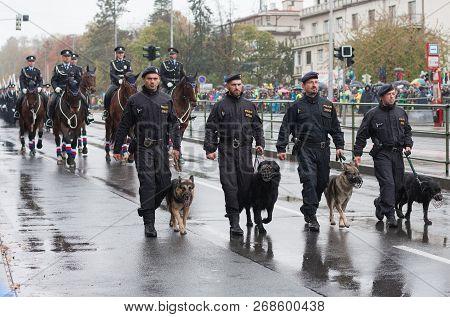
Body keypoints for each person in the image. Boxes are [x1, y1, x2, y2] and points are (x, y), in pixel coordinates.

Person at [113, 66, 181, 238]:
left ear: (159, 80)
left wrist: (177, 147)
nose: (152, 81)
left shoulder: (166, 99)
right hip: (143, 147)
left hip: (161, 148)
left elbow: (174, 124)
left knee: (165, 183)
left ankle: (146, 208)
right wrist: (117, 148)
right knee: (148, 184)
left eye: (155, 79)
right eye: (149, 78)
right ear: (144, 80)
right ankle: (149, 224)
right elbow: (124, 125)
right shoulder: (135, 100)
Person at [276, 71, 345, 232]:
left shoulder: (327, 105)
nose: (314, 85)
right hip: (305, 148)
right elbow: (286, 127)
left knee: (321, 182)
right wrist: (281, 147)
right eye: (310, 82)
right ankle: (312, 216)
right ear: (304, 86)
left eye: (316, 82)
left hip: (323, 149)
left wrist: (339, 145)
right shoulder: (296, 106)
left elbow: (335, 128)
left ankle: (308, 207)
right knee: (309, 181)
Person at [204, 74, 264, 236]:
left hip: (245, 151)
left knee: (245, 187)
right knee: (230, 186)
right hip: (227, 150)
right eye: (233, 85)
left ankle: (244, 215)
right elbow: (210, 128)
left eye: (239, 84)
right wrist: (210, 149)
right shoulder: (220, 106)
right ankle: (234, 223)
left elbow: (257, 127)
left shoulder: (250, 105)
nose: (237, 87)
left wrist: (260, 144)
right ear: (227, 87)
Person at [353, 84, 413, 228]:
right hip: (382, 154)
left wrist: (408, 144)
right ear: (382, 97)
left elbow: (407, 131)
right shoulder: (373, 114)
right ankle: (390, 215)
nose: (392, 96)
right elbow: (362, 135)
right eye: (389, 94)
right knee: (388, 183)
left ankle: (381, 202)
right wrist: (358, 153)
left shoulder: (401, 112)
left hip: (397, 154)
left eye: (394, 94)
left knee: (398, 185)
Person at [103, 46, 132, 120]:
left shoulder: (127, 63)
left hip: (126, 83)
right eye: (119, 53)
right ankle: (106, 111)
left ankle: (135, 111)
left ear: (124, 53)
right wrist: (119, 79)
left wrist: (125, 79)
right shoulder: (113, 63)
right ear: (116, 54)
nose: (121, 54)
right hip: (116, 83)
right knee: (107, 94)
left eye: (122, 53)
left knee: (135, 93)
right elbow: (112, 73)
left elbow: (129, 73)